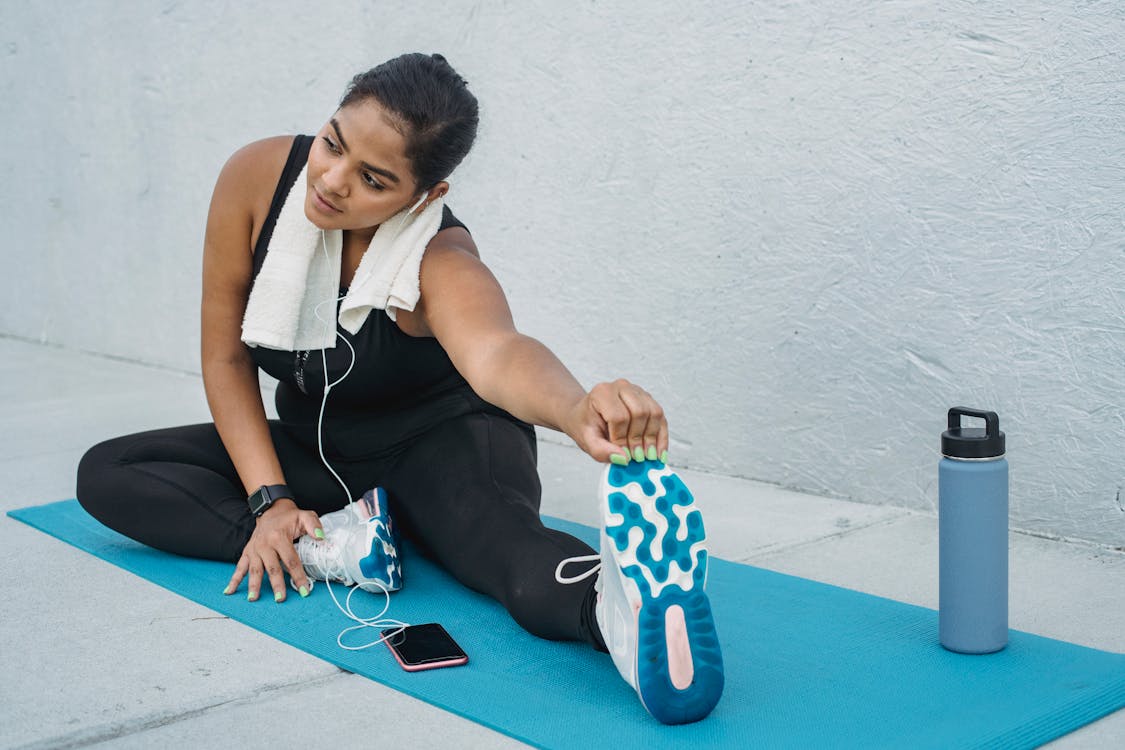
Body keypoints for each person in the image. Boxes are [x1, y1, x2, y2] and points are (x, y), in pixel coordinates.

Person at [76, 52, 723, 725]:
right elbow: (225, 360)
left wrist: (574, 406)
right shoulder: (255, 181)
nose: (331, 181)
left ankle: (617, 607)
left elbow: (498, 352)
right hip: (318, 445)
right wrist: (270, 503)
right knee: (111, 472)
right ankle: (337, 543)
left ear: (424, 196)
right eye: (332, 143)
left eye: (373, 179)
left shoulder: (439, 258)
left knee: (504, 551)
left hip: (443, 444)